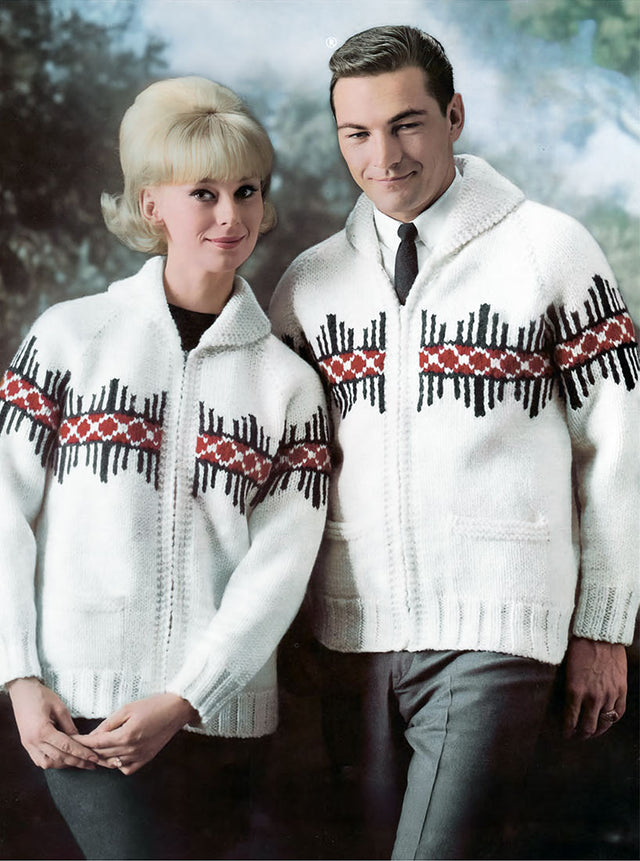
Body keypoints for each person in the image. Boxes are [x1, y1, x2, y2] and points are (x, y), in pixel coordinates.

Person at [269, 25, 639, 860]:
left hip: (499, 628)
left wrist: (605, 625)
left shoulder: (551, 249)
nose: (383, 157)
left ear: (454, 115)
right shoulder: (310, 282)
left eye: (407, 124)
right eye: (357, 133)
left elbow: (619, 448)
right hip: (351, 636)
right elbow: (285, 469)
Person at [0, 76, 330, 860]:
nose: (231, 216)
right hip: (76, 705)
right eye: (203, 193)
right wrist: (18, 675)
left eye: (246, 191)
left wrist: (187, 696)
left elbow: (281, 563)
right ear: (152, 204)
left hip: (219, 718)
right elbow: (4, 508)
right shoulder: (68, 339)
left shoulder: (289, 384)